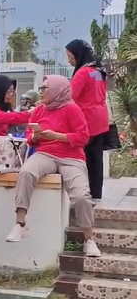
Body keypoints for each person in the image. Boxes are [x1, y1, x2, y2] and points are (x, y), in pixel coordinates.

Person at [6, 76, 101, 257]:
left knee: (81, 195)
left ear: (58, 90)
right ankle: (20, 224)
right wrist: (34, 137)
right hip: (45, 153)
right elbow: (29, 136)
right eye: (40, 88)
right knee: (26, 172)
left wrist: (57, 136)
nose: (41, 92)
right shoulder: (39, 110)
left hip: (71, 156)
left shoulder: (72, 109)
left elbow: (83, 137)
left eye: (45, 88)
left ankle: (89, 239)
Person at [67, 39, 108, 202]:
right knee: (96, 159)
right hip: (101, 119)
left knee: (79, 158)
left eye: (70, 56)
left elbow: (70, 96)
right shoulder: (98, 72)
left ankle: (81, 193)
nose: (69, 60)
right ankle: (96, 194)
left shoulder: (82, 73)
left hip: (86, 120)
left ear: (78, 55)